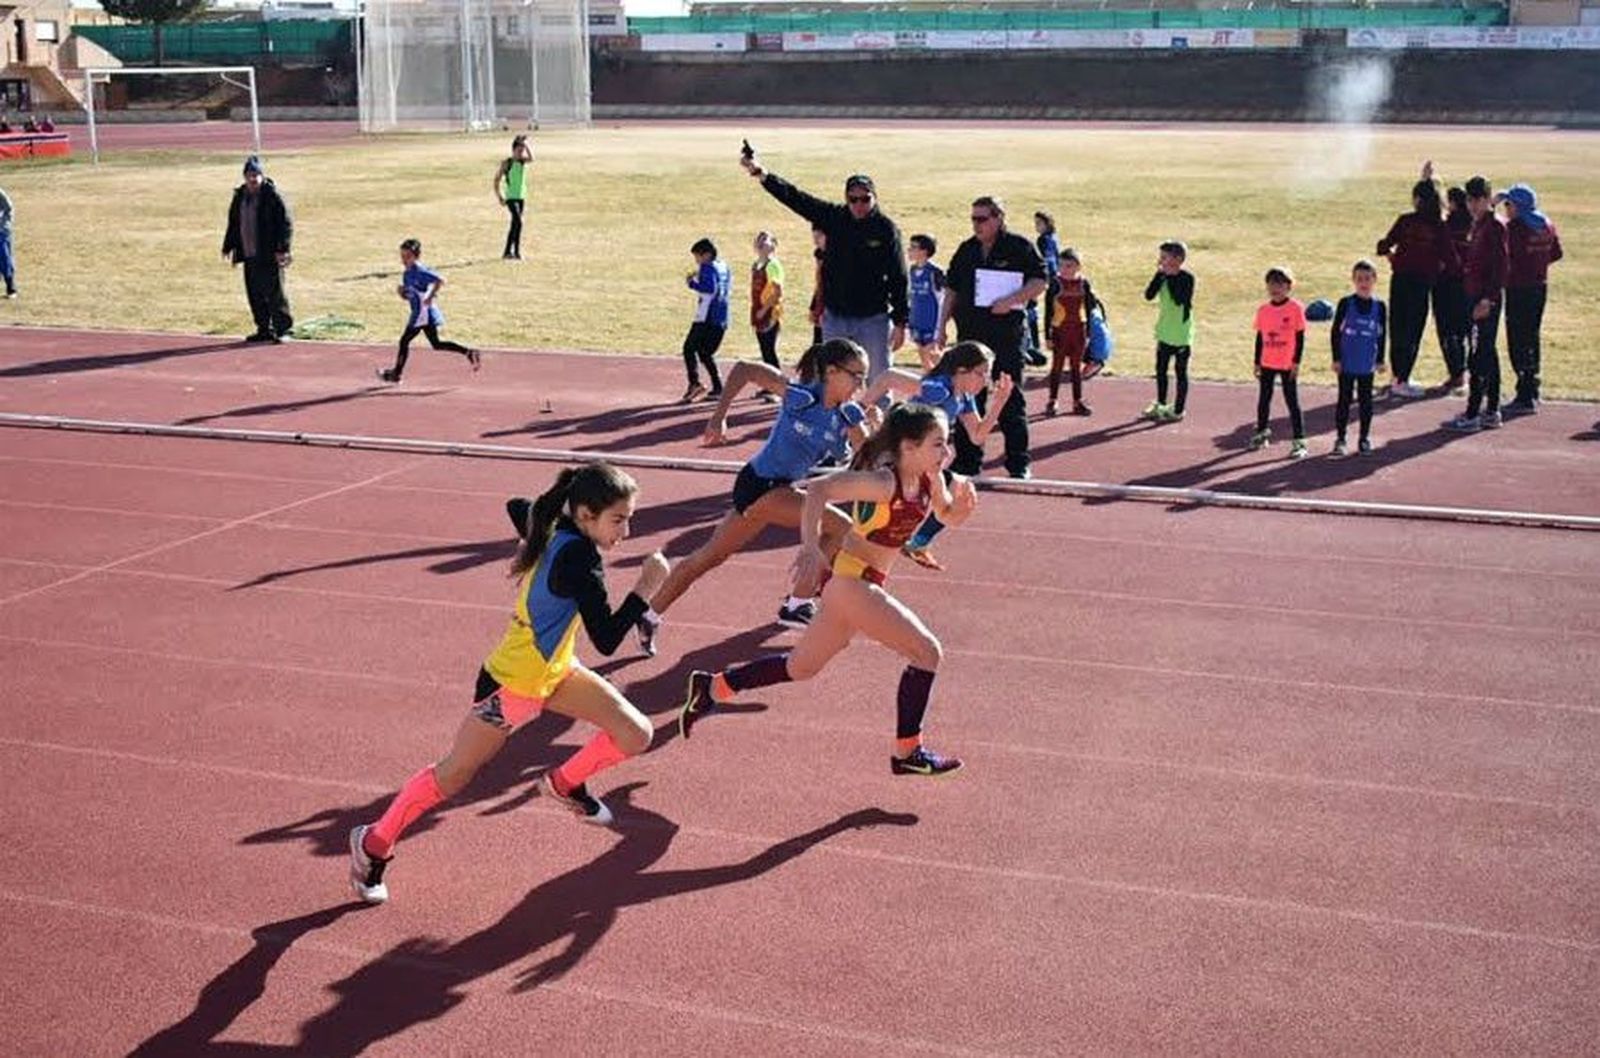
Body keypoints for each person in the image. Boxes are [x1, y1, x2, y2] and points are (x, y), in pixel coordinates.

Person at [348, 464, 670, 904]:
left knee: (635, 733)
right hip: (511, 686)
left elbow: (518, 506)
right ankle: (372, 843)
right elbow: (608, 639)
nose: (626, 531)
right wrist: (646, 587)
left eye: (629, 518)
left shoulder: (555, 526)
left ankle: (564, 784)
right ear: (585, 515)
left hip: (556, 673)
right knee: (454, 775)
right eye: (618, 520)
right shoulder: (581, 560)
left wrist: (546, 517)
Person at [677, 403, 976, 778]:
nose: (946, 451)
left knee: (800, 667)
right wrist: (810, 546)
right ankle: (907, 751)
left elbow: (946, 514)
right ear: (909, 447)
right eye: (938, 443)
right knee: (927, 652)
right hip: (852, 582)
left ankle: (712, 687)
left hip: (861, 586)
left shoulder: (931, 479)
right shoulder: (883, 483)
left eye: (946, 442)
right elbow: (818, 488)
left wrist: (961, 509)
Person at [636, 339, 871, 653]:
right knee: (840, 526)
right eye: (856, 376)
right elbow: (745, 369)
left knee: (708, 557)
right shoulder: (800, 398)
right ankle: (797, 603)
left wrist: (874, 433)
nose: (861, 385)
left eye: (864, 378)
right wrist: (719, 416)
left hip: (780, 489)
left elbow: (869, 460)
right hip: (759, 485)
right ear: (831, 372)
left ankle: (649, 614)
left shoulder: (847, 416)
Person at [741, 146, 908, 383]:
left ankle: (879, 409)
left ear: (874, 198)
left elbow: (899, 277)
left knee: (878, 379)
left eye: (865, 199)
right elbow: (797, 199)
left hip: (873, 318)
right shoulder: (834, 217)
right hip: (836, 317)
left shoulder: (886, 229)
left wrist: (901, 322)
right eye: (853, 199)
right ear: (846, 199)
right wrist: (762, 175)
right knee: (832, 380)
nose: (859, 204)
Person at [861, 340, 1012, 570]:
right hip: (898, 456)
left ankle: (917, 542)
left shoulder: (964, 397)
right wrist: (861, 406)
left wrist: (999, 403)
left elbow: (977, 436)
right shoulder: (939, 389)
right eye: (981, 373)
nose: (986, 381)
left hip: (924, 459)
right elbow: (889, 377)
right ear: (961, 371)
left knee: (956, 489)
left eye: (988, 374)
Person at [940, 195, 1047, 480]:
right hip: (970, 338)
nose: (976, 224)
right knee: (967, 397)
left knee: (1009, 396)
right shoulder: (967, 249)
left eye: (982, 219)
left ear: (999, 218)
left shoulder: (1020, 247)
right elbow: (951, 290)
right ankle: (967, 461)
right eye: (973, 219)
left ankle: (1018, 462)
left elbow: (1040, 281)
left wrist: (1011, 300)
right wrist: (941, 326)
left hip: (1006, 337)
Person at [1375, 174, 1457, 398]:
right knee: (1413, 331)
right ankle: (1402, 379)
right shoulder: (1439, 226)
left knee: (1398, 327)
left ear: (1417, 199)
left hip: (1400, 280)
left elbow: (1383, 246)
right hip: (1422, 283)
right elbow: (1451, 259)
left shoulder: (1405, 221)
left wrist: (1393, 258)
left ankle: (1397, 377)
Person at [1446, 176, 1509, 433]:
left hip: (1485, 299)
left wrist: (1487, 299)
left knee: (1478, 355)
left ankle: (1473, 413)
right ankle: (1492, 410)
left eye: (1477, 200)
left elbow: (1501, 267)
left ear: (1486, 199)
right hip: (1475, 295)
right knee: (1487, 351)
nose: (1472, 205)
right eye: (1470, 200)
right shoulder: (1479, 223)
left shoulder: (1494, 226)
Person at [376, 238, 480, 384]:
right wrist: (402, 293)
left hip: (422, 313)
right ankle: (469, 352)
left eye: (408, 256)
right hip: (421, 313)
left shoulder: (420, 271)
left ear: (416, 256)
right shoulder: (406, 274)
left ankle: (396, 374)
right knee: (436, 344)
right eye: (402, 256)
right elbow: (411, 295)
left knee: (404, 341)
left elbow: (440, 280)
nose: (404, 260)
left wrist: (430, 295)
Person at [1498, 183, 1563, 416]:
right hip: (1539, 287)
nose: (1506, 208)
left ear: (1518, 206)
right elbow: (1556, 253)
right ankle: (1532, 387)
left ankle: (1525, 394)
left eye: (1508, 204)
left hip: (1518, 289)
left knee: (1518, 340)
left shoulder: (1515, 229)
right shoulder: (1546, 224)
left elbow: (1503, 254)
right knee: (1532, 337)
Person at [220, 156, 294, 343]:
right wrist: (228, 245)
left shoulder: (272, 196)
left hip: (268, 253)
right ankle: (264, 329)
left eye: (256, 175)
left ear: (262, 175)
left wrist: (283, 249)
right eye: (249, 175)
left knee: (275, 293)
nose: (253, 178)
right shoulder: (240, 196)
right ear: (244, 177)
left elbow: (285, 224)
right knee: (255, 294)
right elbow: (234, 222)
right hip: (249, 253)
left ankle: (283, 330)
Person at [1248, 266, 1308, 458]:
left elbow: (1300, 338)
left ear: (1288, 287)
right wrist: (1257, 362)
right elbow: (1260, 337)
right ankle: (1262, 433)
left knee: (1292, 401)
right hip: (1267, 362)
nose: (1275, 289)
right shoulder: (1263, 310)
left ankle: (1299, 440)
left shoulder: (1295, 309)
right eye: (1271, 284)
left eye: (1279, 284)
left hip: (1287, 363)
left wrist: (1296, 362)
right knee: (1264, 399)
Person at [1330, 260, 1388, 456]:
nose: (1364, 282)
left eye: (1367, 278)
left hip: (1366, 362)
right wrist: (1336, 358)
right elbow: (1335, 332)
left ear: (1374, 280)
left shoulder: (1380, 306)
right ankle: (1340, 439)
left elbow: (1382, 334)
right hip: (1347, 360)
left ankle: (1364, 438)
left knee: (1366, 402)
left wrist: (1380, 359)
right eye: (1359, 279)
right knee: (1344, 400)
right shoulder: (1346, 303)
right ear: (1353, 280)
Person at [1046, 247, 1104, 417]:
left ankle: (1077, 401)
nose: (1064, 269)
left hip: (1079, 330)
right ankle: (1052, 400)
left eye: (1069, 266)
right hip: (1060, 330)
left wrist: (1089, 333)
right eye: (1061, 265)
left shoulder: (1084, 284)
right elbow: (1048, 311)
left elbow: (1090, 309)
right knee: (1057, 366)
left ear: (1078, 266)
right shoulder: (1055, 283)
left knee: (1076, 368)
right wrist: (1048, 336)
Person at [1142, 241, 1196, 422]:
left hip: (1181, 334)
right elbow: (1148, 295)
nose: (1160, 260)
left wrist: (1169, 276)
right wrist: (1159, 276)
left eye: (1164, 257)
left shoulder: (1187, 278)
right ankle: (1161, 404)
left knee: (1181, 372)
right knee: (1161, 370)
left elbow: (1179, 299)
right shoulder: (1162, 276)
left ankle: (1178, 409)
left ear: (1177, 259)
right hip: (1164, 331)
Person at [680, 237, 731, 403]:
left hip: (706, 317)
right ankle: (718, 386)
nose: (696, 260)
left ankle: (695, 383)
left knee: (689, 348)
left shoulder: (707, 267)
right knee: (705, 352)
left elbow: (710, 289)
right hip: (721, 317)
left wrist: (692, 284)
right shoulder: (723, 266)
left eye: (698, 256)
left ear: (706, 254)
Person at [1435, 184, 1473, 395]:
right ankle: (1470, 372)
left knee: (1448, 330)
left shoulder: (1446, 226)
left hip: (1446, 284)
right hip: (1469, 285)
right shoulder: (1474, 223)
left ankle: (1456, 373)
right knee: (1466, 329)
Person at [1025, 210, 1060, 368]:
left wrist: (1043, 280)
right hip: (1056, 278)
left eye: (1039, 223)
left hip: (1049, 280)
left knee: (1041, 312)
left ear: (1047, 224)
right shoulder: (1053, 237)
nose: (1036, 226)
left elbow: (1047, 261)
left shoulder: (1043, 240)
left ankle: (1037, 345)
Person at [906, 233, 946, 371]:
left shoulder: (934, 272)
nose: (909, 250)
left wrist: (941, 326)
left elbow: (943, 298)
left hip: (932, 322)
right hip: (917, 320)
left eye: (913, 247)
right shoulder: (912, 270)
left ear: (924, 251)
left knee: (934, 355)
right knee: (923, 357)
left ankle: (947, 379)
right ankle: (929, 380)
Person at [750, 230, 785, 379]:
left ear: (773, 245)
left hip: (770, 312)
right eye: (759, 238)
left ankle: (779, 384)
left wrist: (764, 310)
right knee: (764, 351)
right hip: (758, 310)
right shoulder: (756, 265)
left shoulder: (772, 265)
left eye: (766, 239)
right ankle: (770, 384)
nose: (761, 241)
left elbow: (777, 292)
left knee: (769, 351)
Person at [493, 134, 532, 260]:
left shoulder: (522, 162)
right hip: (510, 197)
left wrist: (525, 145)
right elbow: (496, 180)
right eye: (519, 150)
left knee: (515, 225)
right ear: (513, 150)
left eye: (522, 151)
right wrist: (499, 196)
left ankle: (509, 252)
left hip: (521, 196)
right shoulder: (507, 163)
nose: (521, 153)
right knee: (518, 222)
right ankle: (515, 252)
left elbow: (531, 158)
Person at [808, 223, 826, 348]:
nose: (815, 241)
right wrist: (814, 306)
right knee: (818, 342)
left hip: (836, 305)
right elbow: (819, 281)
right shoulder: (819, 253)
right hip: (822, 299)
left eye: (818, 237)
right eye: (814, 237)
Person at [0, 184, 15, 299]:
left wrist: (4, 225)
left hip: (1, 231)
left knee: (5, 258)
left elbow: (9, 208)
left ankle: (11, 288)